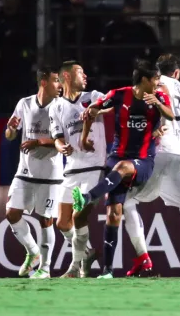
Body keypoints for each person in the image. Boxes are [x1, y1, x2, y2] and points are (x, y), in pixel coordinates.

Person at [72, 60, 174, 279]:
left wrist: (156, 102)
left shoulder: (159, 96)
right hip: (117, 158)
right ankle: (108, 271)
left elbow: (173, 115)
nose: (158, 82)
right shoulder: (119, 94)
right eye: (155, 78)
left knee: (123, 167)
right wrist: (88, 125)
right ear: (144, 79)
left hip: (143, 161)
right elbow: (94, 108)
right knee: (113, 214)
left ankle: (88, 196)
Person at [125, 54, 180, 279]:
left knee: (124, 199)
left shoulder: (159, 84)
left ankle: (144, 259)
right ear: (177, 73)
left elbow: (157, 109)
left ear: (158, 72)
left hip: (160, 150)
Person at [4, 66, 62, 279]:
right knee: (11, 213)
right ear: (44, 82)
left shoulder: (60, 107)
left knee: (46, 219)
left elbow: (62, 142)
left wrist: (38, 142)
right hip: (25, 171)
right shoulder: (24, 104)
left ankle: (45, 269)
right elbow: (10, 135)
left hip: (50, 174)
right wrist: (10, 129)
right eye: (56, 81)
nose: (60, 86)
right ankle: (33, 252)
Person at [49, 61, 105, 278]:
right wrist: (61, 146)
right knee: (62, 222)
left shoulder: (92, 96)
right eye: (81, 72)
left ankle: (74, 267)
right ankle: (87, 252)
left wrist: (96, 108)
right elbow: (57, 137)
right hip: (72, 169)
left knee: (78, 214)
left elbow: (110, 104)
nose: (86, 75)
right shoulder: (56, 106)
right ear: (67, 76)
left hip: (93, 168)